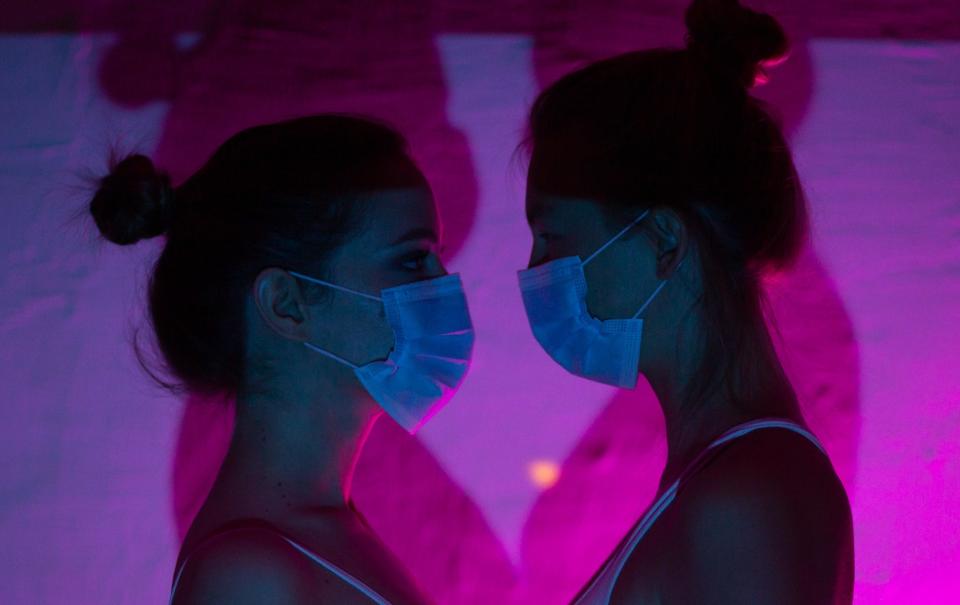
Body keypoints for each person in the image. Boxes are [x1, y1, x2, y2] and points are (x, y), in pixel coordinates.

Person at [516, 0, 854, 603]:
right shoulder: (732, 477)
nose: (537, 271)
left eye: (552, 238)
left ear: (665, 242)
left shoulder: (745, 497)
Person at [89, 115, 474, 604]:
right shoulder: (246, 579)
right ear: (286, 304)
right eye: (413, 259)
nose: (444, 286)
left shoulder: (319, 531)